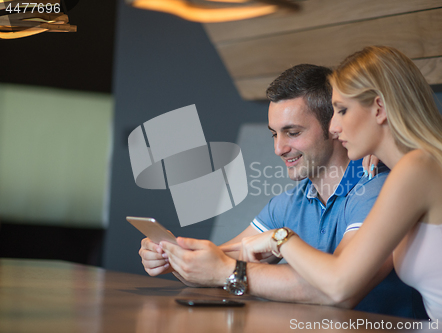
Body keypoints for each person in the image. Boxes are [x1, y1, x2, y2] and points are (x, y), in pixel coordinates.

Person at [224, 46, 442, 321]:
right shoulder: (421, 166)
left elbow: (339, 285)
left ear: (379, 108)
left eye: (341, 110)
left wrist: (279, 238)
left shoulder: (417, 169)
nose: (333, 127)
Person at [140, 64, 425, 318]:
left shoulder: (375, 186)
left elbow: (338, 290)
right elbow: (223, 259)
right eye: (274, 134)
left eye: (293, 132)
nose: (279, 148)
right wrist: (176, 257)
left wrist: (225, 271)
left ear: (335, 126)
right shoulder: (291, 200)